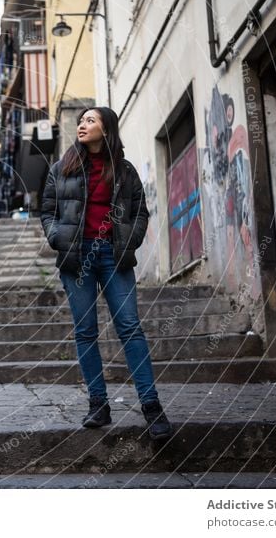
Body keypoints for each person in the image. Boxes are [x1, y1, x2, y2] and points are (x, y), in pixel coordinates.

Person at [40, 107, 172, 439]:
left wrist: (131, 240)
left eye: (90, 120)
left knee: (129, 327)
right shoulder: (62, 168)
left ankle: (151, 405)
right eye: (81, 121)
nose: (82, 125)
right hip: (77, 255)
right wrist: (57, 237)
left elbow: (140, 210)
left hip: (114, 255)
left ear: (106, 129)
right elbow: (47, 210)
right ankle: (98, 404)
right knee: (85, 331)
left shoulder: (124, 171)